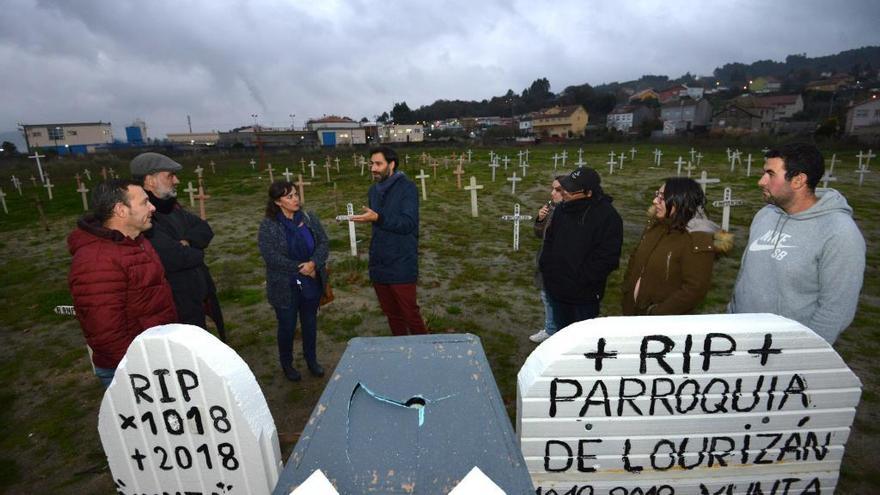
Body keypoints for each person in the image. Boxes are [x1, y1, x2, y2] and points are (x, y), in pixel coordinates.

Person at [729, 143, 865, 344]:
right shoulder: (765, 215)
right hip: (739, 334)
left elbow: (835, 309)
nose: (761, 181)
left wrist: (804, 354)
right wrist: (731, 315)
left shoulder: (839, 233)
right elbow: (745, 274)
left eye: (770, 174)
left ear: (798, 180)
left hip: (786, 349)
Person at [67, 179, 177, 386]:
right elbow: (105, 333)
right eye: (145, 202)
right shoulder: (97, 261)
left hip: (155, 356)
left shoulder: (137, 242)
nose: (153, 207)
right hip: (131, 370)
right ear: (121, 210)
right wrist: (139, 370)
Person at [130, 152, 226, 341]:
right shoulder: (145, 217)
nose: (177, 180)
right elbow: (177, 257)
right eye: (170, 175)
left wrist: (188, 243)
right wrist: (195, 250)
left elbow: (204, 229)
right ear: (150, 180)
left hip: (197, 294)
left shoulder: (172, 207)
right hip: (176, 303)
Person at [621, 177, 731, 316]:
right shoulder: (655, 226)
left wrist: (657, 312)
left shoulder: (697, 238)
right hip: (632, 313)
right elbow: (635, 258)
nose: (655, 201)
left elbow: (694, 290)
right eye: (657, 195)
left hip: (663, 322)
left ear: (680, 201)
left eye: (662, 197)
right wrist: (627, 291)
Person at [350, 145, 429, 336]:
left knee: (410, 313)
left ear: (391, 165)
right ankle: (401, 348)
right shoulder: (373, 191)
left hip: (401, 261)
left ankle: (427, 353)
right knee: (392, 314)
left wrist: (379, 218)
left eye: (378, 164)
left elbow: (408, 224)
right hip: (379, 261)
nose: (373, 168)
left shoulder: (407, 188)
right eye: (371, 164)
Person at [258, 181, 329, 381]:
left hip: (311, 281)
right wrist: (301, 267)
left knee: (309, 323)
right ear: (277, 202)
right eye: (289, 196)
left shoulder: (308, 218)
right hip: (284, 285)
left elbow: (323, 243)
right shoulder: (269, 225)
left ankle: (311, 359)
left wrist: (314, 263)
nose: (296, 199)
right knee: (287, 326)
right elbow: (270, 256)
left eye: (296, 194)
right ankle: (287, 363)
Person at [539, 166, 623, 331]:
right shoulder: (562, 210)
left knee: (579, 340)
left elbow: (607, 258)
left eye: (570, 190)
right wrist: (547, 268)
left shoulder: (608, 217)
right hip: (556, 290)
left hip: (583, 296)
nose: (564, 192)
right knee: (560, 334)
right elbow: (549, 240)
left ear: (588, 193)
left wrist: (580, 279)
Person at [529, 176, 565, 343]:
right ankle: (550, 330)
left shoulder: (569, 213)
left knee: (557, 300)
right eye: (553, 189)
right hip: (546, 262)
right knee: (545, 296)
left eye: (557, 190)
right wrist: (540, 219)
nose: (552, 193)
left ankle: (558, 333)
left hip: (560, 266)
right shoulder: (551, 208)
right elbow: (539, 235)